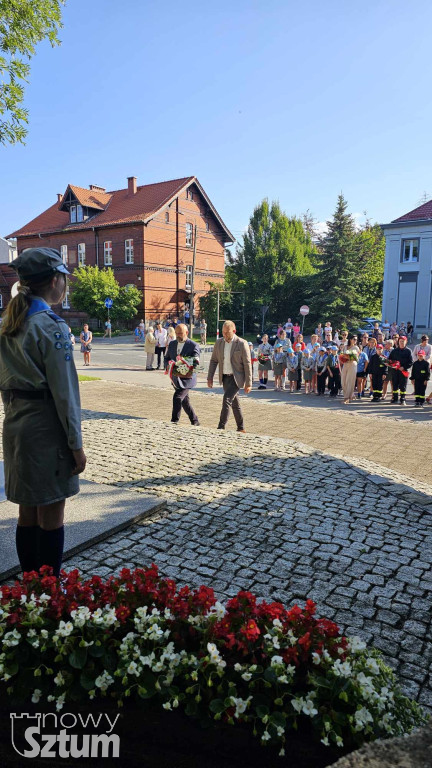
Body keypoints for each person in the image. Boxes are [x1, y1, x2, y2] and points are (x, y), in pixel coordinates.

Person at [0, 247, 86, 578]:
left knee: (27, 511)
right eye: (64, 277)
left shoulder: (10, 322)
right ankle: (50, 596)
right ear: (54, 280)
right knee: (52, 513)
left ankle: (29, 589)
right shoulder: (51, 327)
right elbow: (65, 393)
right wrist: (75, 444)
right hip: (47, 428)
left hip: (16, 424)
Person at [207, 320, 252, 433]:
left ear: (234, 331)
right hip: (225, 377)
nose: (225, 335)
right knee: (235, 403)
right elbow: (213, 361)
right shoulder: (219, 343)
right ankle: (241, 427)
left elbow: (247, 364)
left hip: (237, 378)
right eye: (223, 332)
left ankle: (221, 427)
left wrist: (249, 383)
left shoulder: (241, 343)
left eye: (227, 332)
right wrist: (210, 377)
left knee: (226, 399)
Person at [165, 324, 200, 425]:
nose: (178, 336)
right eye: (176, 333)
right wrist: (168, 365)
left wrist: (181, 362)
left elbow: (196, 362)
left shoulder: (193, 345)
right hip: (175, 379)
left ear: (187, 333)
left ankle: (174, 421)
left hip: (187, 379)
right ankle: (195, 421)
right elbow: (166, 358)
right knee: (185, 401)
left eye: (180, 333)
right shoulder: (172, 344)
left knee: (177, 397)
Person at [389, 336, 413, 405]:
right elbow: (390, 360)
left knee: (403, 386)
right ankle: (395, 398)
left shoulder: (408, 351)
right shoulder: (394, 351)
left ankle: (402, 399)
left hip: (404, 371)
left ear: (406, 342)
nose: (401, 342)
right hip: (395, 371)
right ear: (398, 342)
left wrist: (404, 367)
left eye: (403, 341)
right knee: (395, 385)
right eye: (400, 341)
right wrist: (393, 365)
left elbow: (411, 362)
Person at [340, 334, 360, 404]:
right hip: (345, 364)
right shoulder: (345, 347)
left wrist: (348, 357)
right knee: (343, 381)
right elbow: (342, 355)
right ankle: (350, 395)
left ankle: (347, 397)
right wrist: (342, 358)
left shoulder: (356, 348)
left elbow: (356, 358)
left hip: (352, 364)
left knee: (349, 381)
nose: (355, 341)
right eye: (354, 339)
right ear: (350, 339)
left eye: (356, 340)